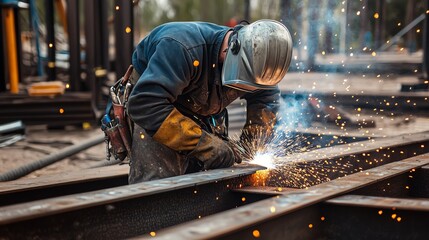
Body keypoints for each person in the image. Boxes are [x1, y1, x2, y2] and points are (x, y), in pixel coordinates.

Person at [126, 19, 293, 183]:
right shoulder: (181, 48)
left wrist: (254, 141)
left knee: (218, 169)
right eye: (243, 85)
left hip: (202, 106)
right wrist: (204, 144)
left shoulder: (259, 65)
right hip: (158, 111)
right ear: (232, 49)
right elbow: (144, 105)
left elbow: (265, 97)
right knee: (158, 185)